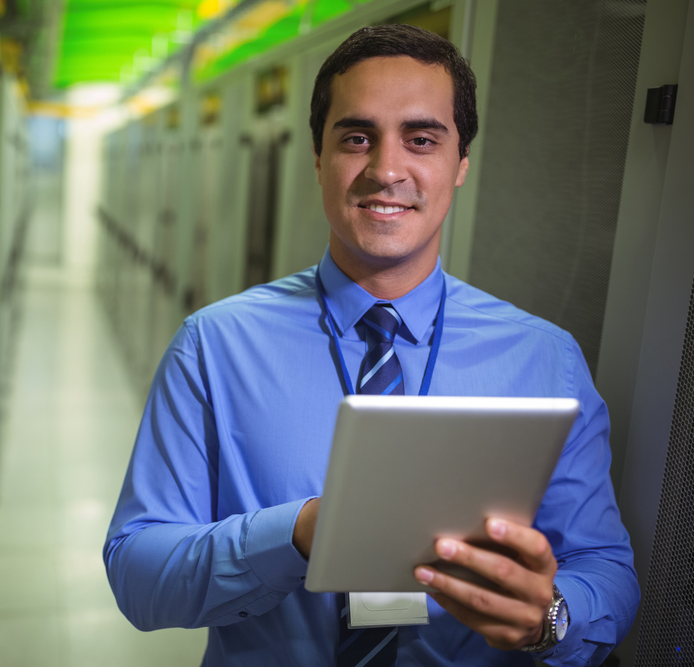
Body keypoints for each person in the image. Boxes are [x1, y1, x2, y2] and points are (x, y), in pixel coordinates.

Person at [104, 24, 639, 666]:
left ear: (461, 162)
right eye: (357, 138)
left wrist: (549, 617)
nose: (387, 170)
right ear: (318, 155)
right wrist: (295, 535)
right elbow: (138, 575)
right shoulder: (214, 346)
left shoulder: (545, 360)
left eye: (421, 140)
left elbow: (605, 567)